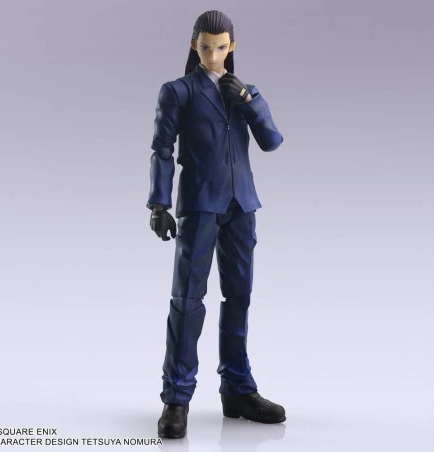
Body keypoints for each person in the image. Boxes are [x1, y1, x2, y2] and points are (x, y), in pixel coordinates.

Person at [147, 10, 285, 439]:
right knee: (187, 300)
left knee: (239, 297)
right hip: (200, 206)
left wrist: (248, 101)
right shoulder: (179, 91)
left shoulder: (244, 91)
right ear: (195, 45)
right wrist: (158, 203)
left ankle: (238, 389)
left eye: (220, 47)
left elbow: (271, 141)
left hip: (242, 205)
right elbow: (162, 149)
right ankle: (176, 397)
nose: (212, 55)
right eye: (205, 47)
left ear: (231, 47)